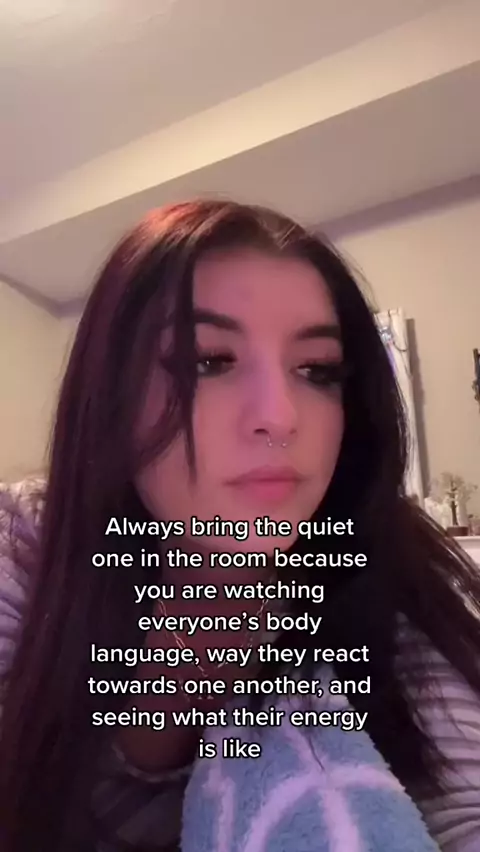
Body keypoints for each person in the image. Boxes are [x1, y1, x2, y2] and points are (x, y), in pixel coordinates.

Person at [0, 199, 479, 852]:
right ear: (108, 395)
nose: (280, 417)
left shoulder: (390, 570)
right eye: (208, 361)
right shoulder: (22, 546)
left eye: (317, 370)